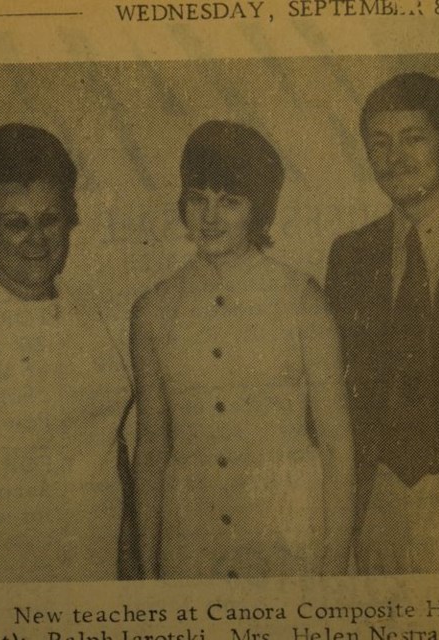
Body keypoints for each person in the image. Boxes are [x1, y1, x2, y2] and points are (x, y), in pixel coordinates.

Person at [131, 120, 354, 579]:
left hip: (288, 541)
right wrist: (148, 569)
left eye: (230, 201)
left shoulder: (301, 300)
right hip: (192, 544)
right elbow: (152, 448)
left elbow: (337, 445)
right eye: (198, 198)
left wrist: (333, 568)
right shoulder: (153, 310)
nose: (210, 216)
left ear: (259, 210)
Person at [0, 123, 133, 583]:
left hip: (92, 574)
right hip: (6, 580)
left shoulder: (83, 312)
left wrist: (131, 578)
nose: (37, 239)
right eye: (15, 224)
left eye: (49, 219)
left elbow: (110, 453)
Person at [324, 72, 439, 574]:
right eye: (380, 143)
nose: (395, 158)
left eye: (413, 138)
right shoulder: (350, 255)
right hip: (377, 506)